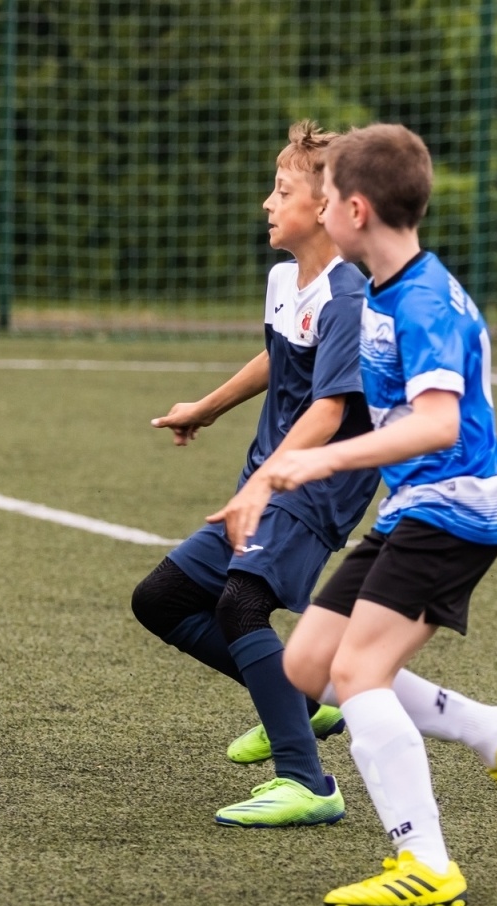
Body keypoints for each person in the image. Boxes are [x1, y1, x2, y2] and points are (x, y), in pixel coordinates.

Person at [261, 124, 497, 906]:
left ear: (355, 210)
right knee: (311, 666)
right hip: (416, 506)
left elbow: (438, 425)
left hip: (455, 508)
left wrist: (319, 462)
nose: (317, 211)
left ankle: (423, 859)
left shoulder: (424, 300)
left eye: (323, 201)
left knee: (357, 674)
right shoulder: (385, 286)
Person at [130, 121, 377, 828]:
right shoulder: (284, 280)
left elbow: (329, 408)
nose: (268, 202)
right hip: (269, 478)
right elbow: (278, 357)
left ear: (330, 210)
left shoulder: (348, 298)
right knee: (161, 600)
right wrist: (206, 408)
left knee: (241, 606)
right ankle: (299, 702)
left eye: (283, 190)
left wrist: (263, 482)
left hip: (315, 486)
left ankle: (308, 782)